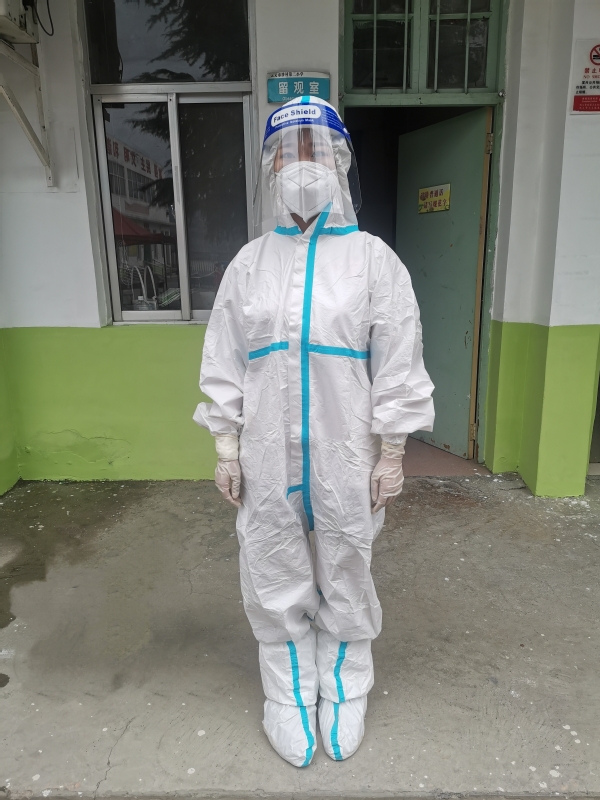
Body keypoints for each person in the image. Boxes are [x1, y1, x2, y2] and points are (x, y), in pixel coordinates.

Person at [194, 97, 434, 767]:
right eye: (289, 154)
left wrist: (392, 451)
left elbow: (399, 360)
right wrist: (226, 445)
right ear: (270, 169)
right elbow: (224, 360)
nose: (303, 166)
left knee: (347, 565)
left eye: (316, 151)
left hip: (345, 453)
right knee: (272, 566)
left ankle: (345, 691)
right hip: (268, 455)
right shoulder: (249, 265)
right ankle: (289, 697)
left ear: (340, 163)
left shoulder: (373, 261)